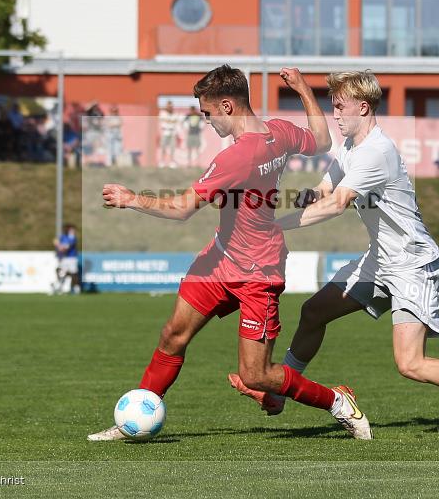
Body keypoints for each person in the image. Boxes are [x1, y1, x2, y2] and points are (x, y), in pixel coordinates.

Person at [229, 70, 439, 436]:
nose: (335, 115)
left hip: (412, 263)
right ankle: (279, 394)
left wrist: (274, 227)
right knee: (313, 312)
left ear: (363, 107)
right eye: (332, 107)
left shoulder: (376, 152)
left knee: (410, 363)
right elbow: (324, 190)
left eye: (340, 107)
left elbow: (336, 204)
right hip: (380, 260)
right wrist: (296, 198)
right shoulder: (351, 147)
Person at [92, 65, 372, 441]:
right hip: (220, 259)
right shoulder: (278, 131)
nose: (207, 121)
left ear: (227, 106)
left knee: (256, 374)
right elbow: (322, 141)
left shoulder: (236, 158)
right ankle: (135, 420)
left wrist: (131, 199)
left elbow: (182, 209)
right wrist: (303, 88)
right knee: (173, 334)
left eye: (208, 113)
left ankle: (337, 402)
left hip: (259, 269)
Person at [51, 224, 80, 295]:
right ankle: (59, 287)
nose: (73, 231)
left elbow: (67, 247)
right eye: (71, 229)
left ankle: (76, 288)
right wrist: (58, 247)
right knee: (61, 272)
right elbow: (56, 241)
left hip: (72, 258)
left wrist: (60, 247)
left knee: (74, 273)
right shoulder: (63, 237)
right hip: (64, 258)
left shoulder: (73, 237)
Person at [158, 101, 181, 168]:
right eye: (168, 106)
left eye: (171, 106)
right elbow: (166, 120)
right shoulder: (162, 113)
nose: (170, 107)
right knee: (163, 147)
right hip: (165, 132)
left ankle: (172, 162)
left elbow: (176, 121)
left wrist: (172, 121)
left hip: (173, 132)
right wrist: (172, 121)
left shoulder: (174, 114)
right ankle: (162, 161)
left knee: (172, 148)